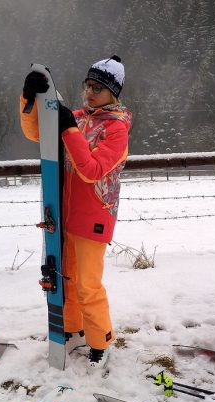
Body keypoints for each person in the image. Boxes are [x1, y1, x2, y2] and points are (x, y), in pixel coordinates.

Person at [20, 56, 132, 371]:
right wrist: (29, 100)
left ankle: (101, 341)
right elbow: (37, 134)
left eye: (99, 88)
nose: (90, 92)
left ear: (114, 93)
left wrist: (69, 128)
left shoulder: (117, 128)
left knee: (87, 284)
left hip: (94, 217)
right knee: (65, 279)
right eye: (88, 85)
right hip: (64, 213)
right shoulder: (79, 117)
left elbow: (91, 170)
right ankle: (73, 330)